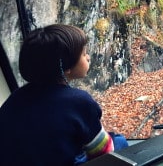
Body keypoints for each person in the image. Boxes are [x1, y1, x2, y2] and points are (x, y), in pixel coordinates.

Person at [0, 24, 127, 166]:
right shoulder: (79, 102)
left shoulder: (15, 98)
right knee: (119, 141)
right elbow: (104, 153)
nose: (88, 57)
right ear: (66, 67)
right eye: (84, 54)